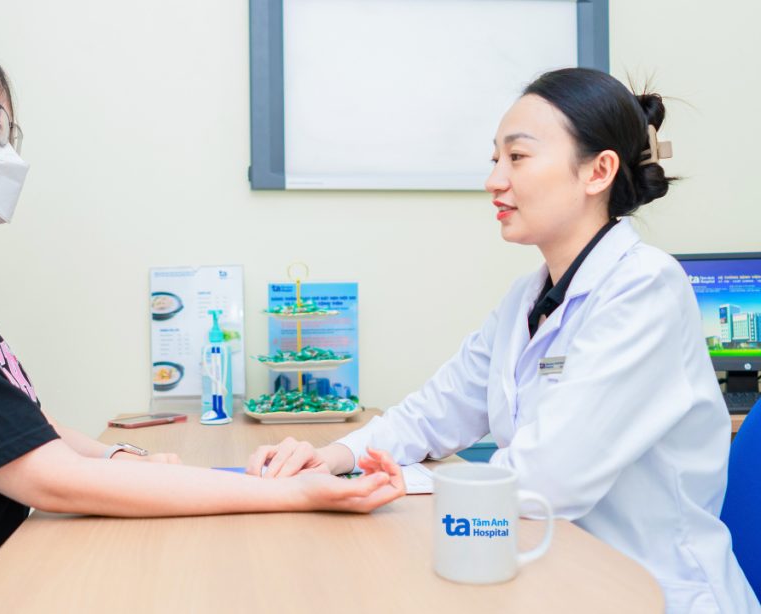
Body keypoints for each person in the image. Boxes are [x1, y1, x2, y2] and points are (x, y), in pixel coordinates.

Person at [0, 29, 404, 613]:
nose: (4, 150)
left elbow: (16, 423)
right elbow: (46, 478)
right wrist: (293, 496)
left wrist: (123, 455)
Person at [247, 68, 761, 613]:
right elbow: (435, 412)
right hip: (557, 573)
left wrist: (402, 482)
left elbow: (552, 478)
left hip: (651, 592)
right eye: (495, 159)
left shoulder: (646, 288)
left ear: (598, 171)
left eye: (517, 157)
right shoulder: (528, 298)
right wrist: (332, 457)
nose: (494, 180)